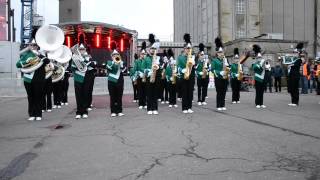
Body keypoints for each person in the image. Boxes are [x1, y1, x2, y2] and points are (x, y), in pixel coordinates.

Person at [16, 37, 50, 121]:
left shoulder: (40, 54)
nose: (33, 46)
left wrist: (39, 55)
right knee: (30, 97)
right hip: (28, 79)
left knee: (38, 96)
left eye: (35, 45)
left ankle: (38, 114)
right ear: (29, 46)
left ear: (37, 46)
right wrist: (27, 62)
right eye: (31, 45)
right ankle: (32, 114)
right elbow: (18, 64)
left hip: (38, 79)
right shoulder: (25, 55)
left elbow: (47, 61)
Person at [106, 42, 125, 117]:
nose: (115, 56)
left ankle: (119, 110)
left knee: (119, 95)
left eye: (116, 55)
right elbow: (109, 69)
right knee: (112, 96)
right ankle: (113, 111)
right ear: (111, 56)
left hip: (119, 79)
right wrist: (114, 62)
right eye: (114, 55)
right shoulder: (109, 62)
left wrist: (120, 63)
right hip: (111, 80)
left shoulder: (121, 62)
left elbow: (124, 69)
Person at [71, 43, 90, 119]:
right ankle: (79, 112)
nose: (81, 50)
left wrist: (85, 61)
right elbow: (72, 68)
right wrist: (78, 64)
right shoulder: (75, 58)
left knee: (85, 95)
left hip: (86, 78)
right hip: (78, 78)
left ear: (85, 50)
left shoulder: (87, 57)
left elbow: (90, 66)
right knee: (78, 95)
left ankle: (85, 111)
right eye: (80, 49)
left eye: (83, 49)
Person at [177, 33, 195, 113]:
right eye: (187, 48)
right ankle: (184, 108)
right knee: (184, 92)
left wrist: (194, 62)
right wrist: (182, 70)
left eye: (190, 48)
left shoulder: (193, 57)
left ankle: (189, 107)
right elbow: (178, 67)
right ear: (184, 49)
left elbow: (196, 66)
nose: (188, 50)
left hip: (191, 76)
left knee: (190, 92)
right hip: (183, 76)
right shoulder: (180, 57)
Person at [211, 37, 229, 111]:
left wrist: (228, 69)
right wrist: (219, 72)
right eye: (219, 52)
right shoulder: (214, 60)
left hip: (225, 78)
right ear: (217, 53)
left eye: (222, 52)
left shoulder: (225, 59)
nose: (221, 54)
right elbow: (212, 69)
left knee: (224, 91)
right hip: (218, 78)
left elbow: (228, 67)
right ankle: (218, 105)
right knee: (219, 92)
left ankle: (223, 105)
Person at [144, 34, 160, 115]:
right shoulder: (146, 58)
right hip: (149, 77)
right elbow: (144, 69)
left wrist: (158, 66)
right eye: (152, 49)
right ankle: (149, 108)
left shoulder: (157, 58)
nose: (153, 50)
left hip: (156, 77)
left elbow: (159, 68)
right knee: (149, 93)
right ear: (149, 50)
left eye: (154, 49)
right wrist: (148, 71)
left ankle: (155, 108)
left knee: (155, 93)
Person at [251, 44, 267, 109]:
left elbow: (265, 69)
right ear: (257, 58)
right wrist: (260, 65)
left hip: (263, 78)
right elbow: (255, 68)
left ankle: (261, 103)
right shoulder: (255, 64)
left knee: (262, 91)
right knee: (258, 91)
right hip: (257, 79)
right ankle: (257, 103)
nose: (259, 59)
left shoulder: (263, 63)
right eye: (258, 58)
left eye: (260, 58)